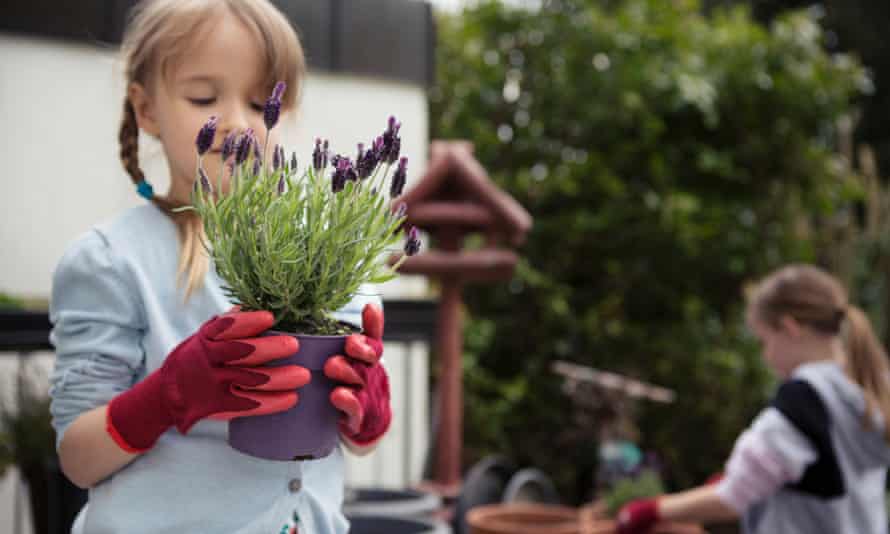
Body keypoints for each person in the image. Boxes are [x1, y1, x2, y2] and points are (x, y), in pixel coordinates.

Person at [48, 1, 390, 532]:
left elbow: (353, 439)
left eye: (261, 101)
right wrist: (168, 395)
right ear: (147, 110)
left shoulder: (321, 256)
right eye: (204, 97)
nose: (237, 122)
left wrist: (367, 411)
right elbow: (78, 458)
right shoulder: (112, 262)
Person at [617, 264, 890, 534]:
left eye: (764, 341)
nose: (766, 356)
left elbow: (732, 497)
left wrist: (649, 510)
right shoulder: (870, 385)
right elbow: (818, 475)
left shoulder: (803, 398)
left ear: (789, 327)